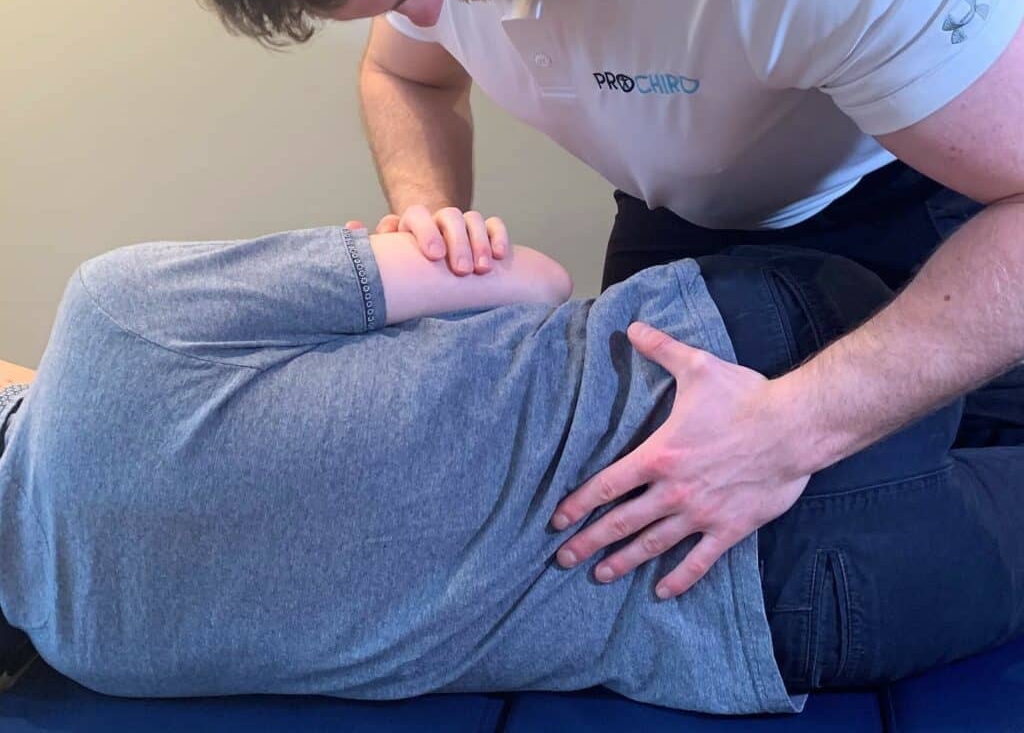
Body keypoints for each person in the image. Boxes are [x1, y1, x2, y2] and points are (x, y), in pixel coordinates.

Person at [152, 0, 1024, 605]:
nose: (424, 14)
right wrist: (429, 215)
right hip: (678, 223)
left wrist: (793, 428)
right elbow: (407, 75)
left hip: (936, 212)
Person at [1, 223, 1021, 713]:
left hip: (787, 605)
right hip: (753, 351)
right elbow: (534, 280)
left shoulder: (96, 648)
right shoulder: (115, 320)